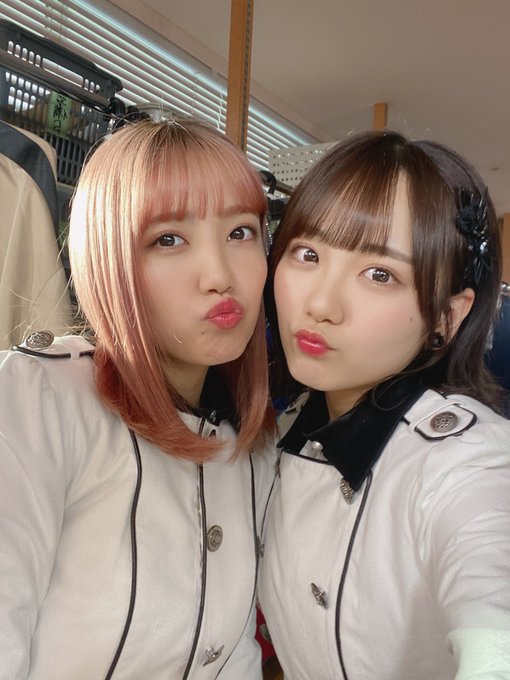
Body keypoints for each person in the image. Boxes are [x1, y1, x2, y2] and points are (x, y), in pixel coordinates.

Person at [0, 118, 276, 679]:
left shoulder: (257, 443)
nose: (220, 275)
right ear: (109, 259)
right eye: (168, 239)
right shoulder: (38, 399)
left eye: (241, 232)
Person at [258, 131, 510, 680]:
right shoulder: (284, 430)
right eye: (307, 254)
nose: (320, 304)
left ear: (445, 317)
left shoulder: (466, 461)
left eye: (380, 274)